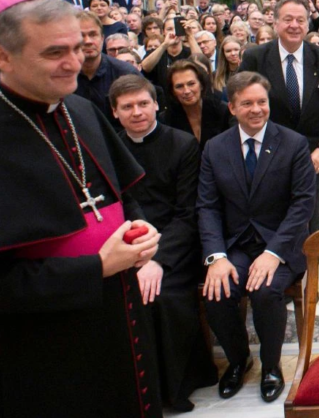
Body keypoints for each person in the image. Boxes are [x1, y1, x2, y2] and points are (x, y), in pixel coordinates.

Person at [0, 0, 162, 417]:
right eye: (55, 52)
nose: (74, 62)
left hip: (118, 318)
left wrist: (140, 229)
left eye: (77, 47)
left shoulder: (81, 110)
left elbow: (121, 196)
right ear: (2, 55)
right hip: (38, 351)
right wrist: (95, 268)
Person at [198, 72, 317, 403]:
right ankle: (238, 360)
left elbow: (302, 205)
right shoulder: (215, 148)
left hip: (281, 243)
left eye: (261, 102)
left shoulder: (293, 143)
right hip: (235, 244)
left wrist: (274, 252)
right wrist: (216, 257)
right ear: (232, 107)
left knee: (265, 290)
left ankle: (271, 366)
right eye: (247, 103)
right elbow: (207, 206)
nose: (256, 109)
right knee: (217, 292)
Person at [110, 75, 218, 412]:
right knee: (118, 295)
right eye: (127, 107)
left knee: (164, 297)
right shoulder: (109, 149)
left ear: (156, 104)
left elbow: (189, 212)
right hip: (125, 246)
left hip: (176, 244)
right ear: (114, 112)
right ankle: (132, 388)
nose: (137, 112)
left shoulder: (182, 144)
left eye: (143, 103)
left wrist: (157, 260)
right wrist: (134, 256)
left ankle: (173, 388)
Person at [238, 0, 319, 192]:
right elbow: (240, 106)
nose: (294, 25)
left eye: (300, 20)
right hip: (266, 154)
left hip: (313, 156)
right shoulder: (255, 58)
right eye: (288, 19)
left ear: (308, 25)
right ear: (275, 22)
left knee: (307, 215)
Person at [74, 11, 139, 124]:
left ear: (102, 38)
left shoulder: (125, 73)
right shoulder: (61, 75)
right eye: (81, 35)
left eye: (93, 35)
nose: (88, 41)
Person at [162, 59, 230, 147]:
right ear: (173, 91)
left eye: (191, 84)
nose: (186, 91)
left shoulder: (221, 111)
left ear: (201, 85)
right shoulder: (166, 119)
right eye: (179, 86)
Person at [143, 16, 202, 89]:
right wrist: (165, 44)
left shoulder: (190, 51)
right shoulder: (156, 52)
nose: (174, 32)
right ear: (163, 32)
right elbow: (145, 67)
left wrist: (190, 35)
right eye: (169, 29)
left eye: (177, 29)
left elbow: (201, 64)